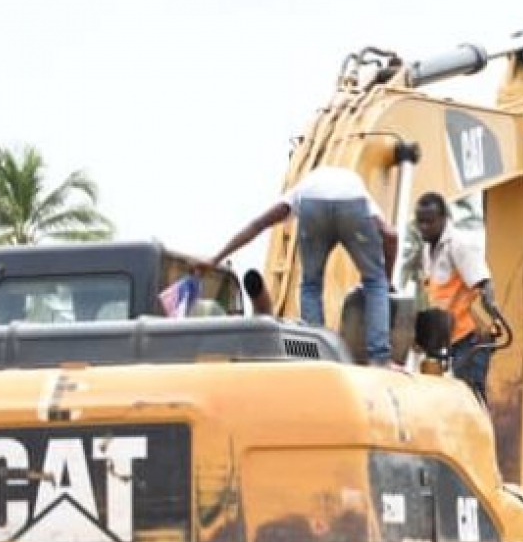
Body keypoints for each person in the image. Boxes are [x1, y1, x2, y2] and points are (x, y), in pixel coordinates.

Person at [203, 165, 398, 366]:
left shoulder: (300, 191)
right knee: (375, 282)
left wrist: (216, 258)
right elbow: (391, 235)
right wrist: (386, 283)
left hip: (312, 205)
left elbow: (256, 225)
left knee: (311, 285)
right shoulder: (358, 192)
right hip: (353, 203)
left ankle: (317, 354)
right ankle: (380, 358)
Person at [411, 191, 507, 399]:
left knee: (470, 394)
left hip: (472, 337)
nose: (423, 228)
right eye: (420, 222)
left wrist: (492, 312)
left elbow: (483, 282)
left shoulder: (459, 244)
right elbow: (434, 295)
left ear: (443, 219)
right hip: (452, 336)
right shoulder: (429, 251)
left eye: (429, 222)